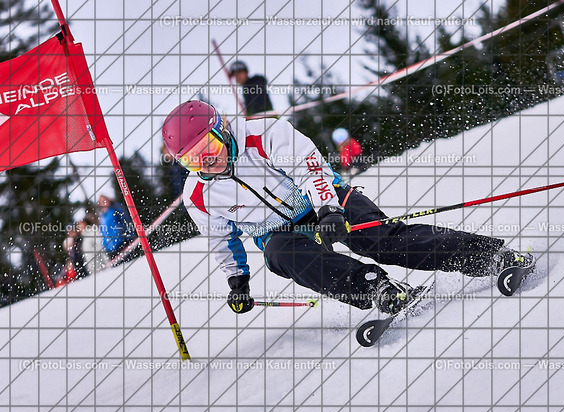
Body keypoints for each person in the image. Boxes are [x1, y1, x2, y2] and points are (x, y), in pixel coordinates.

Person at [162, 100, 532, 315]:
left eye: (209, 148)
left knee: (379, 240)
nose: (207, 162)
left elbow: (309, 167)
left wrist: (329, 210)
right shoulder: (198, 196)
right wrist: (237, 281)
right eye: (193, 160)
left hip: (323, 198)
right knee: (279, 253)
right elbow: (221, 240)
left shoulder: (264, 134)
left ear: (223, 129)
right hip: (282, 232)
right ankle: (376, 288)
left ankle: (490, 256)